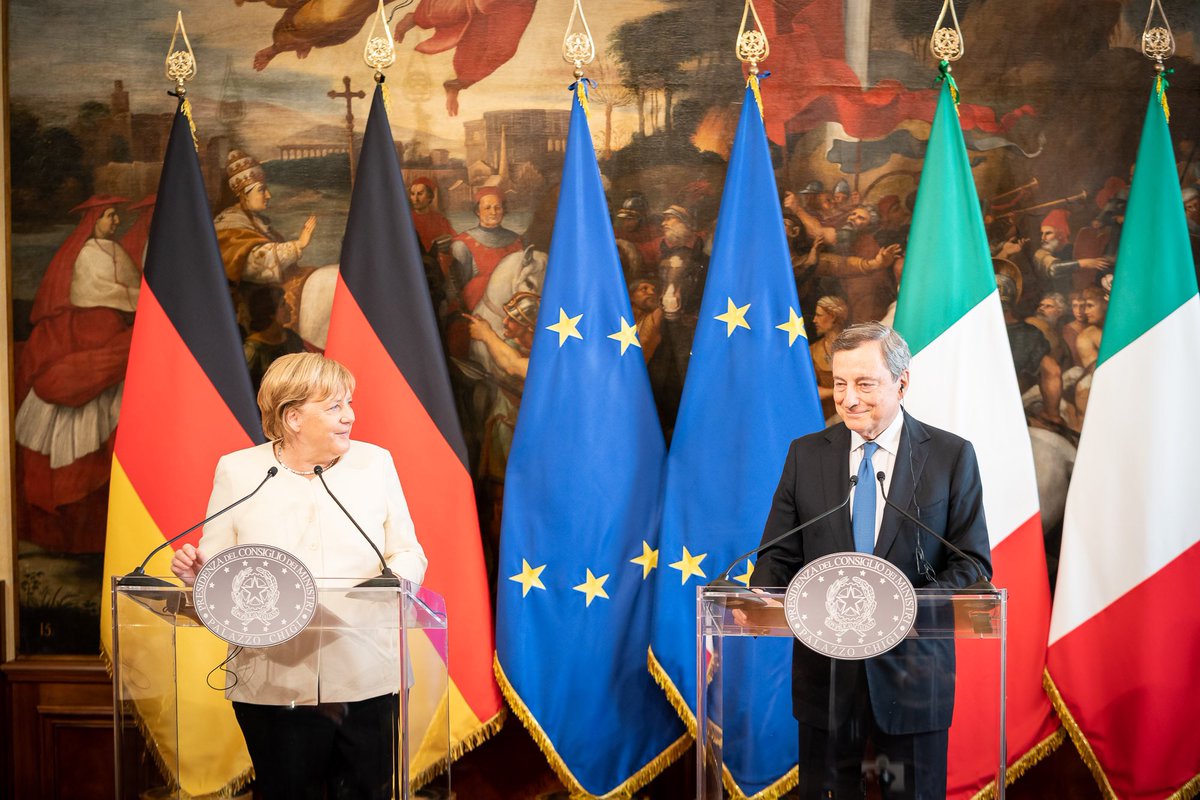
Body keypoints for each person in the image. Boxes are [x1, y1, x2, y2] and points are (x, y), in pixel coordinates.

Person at [750, 322, 992, 799]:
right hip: (827, 680)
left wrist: (897, 607)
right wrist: (763, 588)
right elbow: (777, 555)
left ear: (902, 384)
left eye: (864, 384)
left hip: (914, 676)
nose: (848, 398)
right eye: (840, 384)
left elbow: (973, 566)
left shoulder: (949, 456)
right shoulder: (806, 456)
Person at [171, 353, 427, 800]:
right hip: (273, 681)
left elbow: (407, 552)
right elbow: (221, 574)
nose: (350, 416)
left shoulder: (375, 464)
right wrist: (200, 580)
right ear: (292, 417)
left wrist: (378, 597)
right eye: (334, 407)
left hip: (365, 673)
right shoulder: (239, 471)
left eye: (349, 403)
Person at [14, 195, 139, 551]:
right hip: (88, 334)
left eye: (116, 215)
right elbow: (94, 294)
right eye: (109, 215)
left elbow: (129, 291)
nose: (115, 221)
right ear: (94, 220)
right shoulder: (86, 254)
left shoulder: (116, 251)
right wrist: (138, 297)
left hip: (111, 331)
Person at [214, 150, 317, 331]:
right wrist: (298, 244)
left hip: (266, 292)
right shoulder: (228, 225)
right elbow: (255, 263)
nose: (268, 195)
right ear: (243, 195)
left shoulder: (256, 221)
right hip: (248, 306)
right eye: (262, 190)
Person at [451, 186, 524, 310]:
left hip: (513, 309)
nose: (493, 212)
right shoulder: (462, 244)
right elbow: (459, 287)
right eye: (487, 208)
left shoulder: (517, 241)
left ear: (503, 210)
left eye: (497, 207)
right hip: (475, 308)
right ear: (478, 211)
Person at [408, 177, 455, 254]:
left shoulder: (440, 219)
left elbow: (454, 239)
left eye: (420, 194)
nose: (415, 199)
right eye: (412, 194)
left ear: (430, 197)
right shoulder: (406, 219)